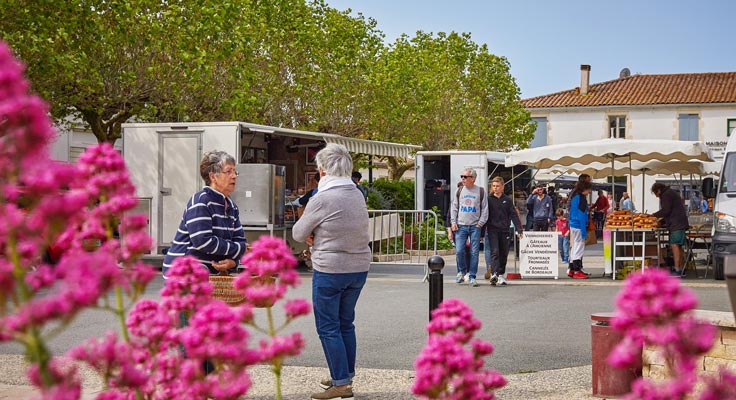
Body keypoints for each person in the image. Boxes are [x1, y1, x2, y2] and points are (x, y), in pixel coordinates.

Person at [291, 143, 370, 400]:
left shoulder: (322, 198)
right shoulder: (356, 194)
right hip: (358, 268)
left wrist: (313, 234)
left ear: (323, 170)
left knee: (328, 326)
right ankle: (344, 373)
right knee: (346, 323)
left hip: (331, 269)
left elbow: (298, 233)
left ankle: (341, 384)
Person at [162, 150, 247, 278]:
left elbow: (241, 242)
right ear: (213, 176)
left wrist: (233, 262)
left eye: (235, 172)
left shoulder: (232, 207)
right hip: (183, 274)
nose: (234, 176)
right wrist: (236, 249)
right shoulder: (201, 201)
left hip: (211, 276)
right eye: (228, 171)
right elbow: (203, 241)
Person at [450, 167, 488, 287]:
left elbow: (485, 209)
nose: (463, 179)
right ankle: (462, 271)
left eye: (465, 177)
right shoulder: (459, 191)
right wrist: (453, 222)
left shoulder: (480, 191)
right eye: (462, 176)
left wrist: (480, 223)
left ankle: (472, 276)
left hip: (475, 226)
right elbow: (454, 207)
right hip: (461, 225)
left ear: (473, 178)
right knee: (459, 250)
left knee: (474, 252)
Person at [484, 176, 523, 286]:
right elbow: (484, 216)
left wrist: (519, 228)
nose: (495, 188)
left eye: (497, 186)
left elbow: (513, 215)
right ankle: (494, 274)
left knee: (503, 253)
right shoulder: (488, 199)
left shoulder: (508, 200)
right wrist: (482, 231)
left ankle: (501, 274)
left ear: (502, 187)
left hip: (505, 230)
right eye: (494, 186)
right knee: (495, 252)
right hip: (492, 229)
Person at [651, 182, 689, 276]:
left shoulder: (666, 195)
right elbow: (670, 211)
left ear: (658, 190)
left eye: (656, 194)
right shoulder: (670, 193)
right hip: (679, 222)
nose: (656, 196)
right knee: (679, 246)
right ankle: (681, 268)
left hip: (677, 224)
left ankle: (677, 269)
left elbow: (666, 210)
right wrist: (662, 222)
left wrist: (653, 216)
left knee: (674, 245)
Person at [569, 179, 592, 279]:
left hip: (573, 224)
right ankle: (577, 270)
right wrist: (583, 231)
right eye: (588, 189)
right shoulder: (582, 198)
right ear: (585, 189)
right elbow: (582, 215)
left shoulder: (575, 197)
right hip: (579, 225)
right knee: (579, 247)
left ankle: (571, 269)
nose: (589, 191)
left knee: (574, 247)